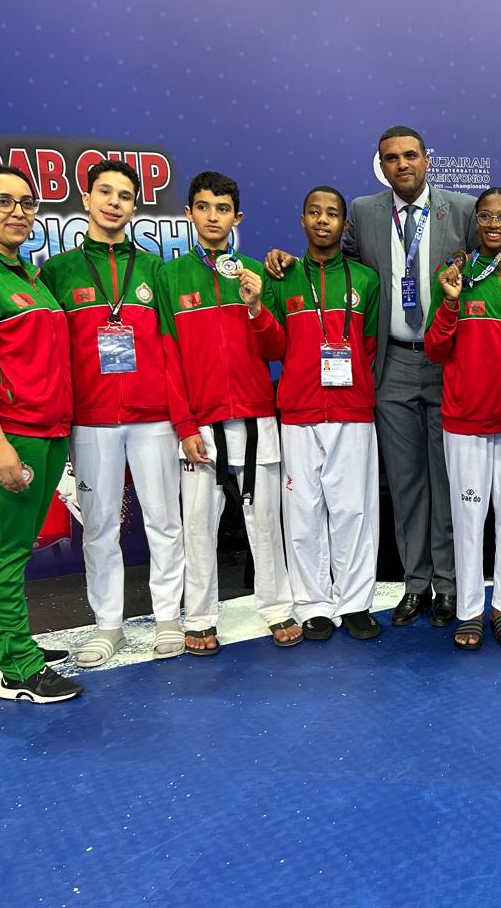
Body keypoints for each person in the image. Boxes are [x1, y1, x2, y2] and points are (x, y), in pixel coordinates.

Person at [266, 126, 478, 629]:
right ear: (381, 166)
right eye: (391, 158)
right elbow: (332, 265)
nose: (402, 164)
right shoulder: (363, 212)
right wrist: (287, 261)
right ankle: (416, 584)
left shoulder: (464, 210)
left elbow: (488, 267)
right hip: (392, 363)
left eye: (411, 155)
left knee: (447, 479)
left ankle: (448, 586)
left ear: (427, 159)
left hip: (448, 362)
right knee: (405, 483)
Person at [42, 160, 184, 666]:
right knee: (99, 525)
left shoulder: (154, 269)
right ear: (86, 199)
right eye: (105, 192)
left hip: (153, 416)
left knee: (165, 521)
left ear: (134, 206)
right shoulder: (57, 271)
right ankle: (108, 625)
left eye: (124, 196)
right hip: (90, 419)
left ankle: (168, 617)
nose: (113, 202)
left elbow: (172, 344)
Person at [155, 171, 294, 654]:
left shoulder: (256, 272)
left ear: (238, 217)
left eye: (222, 209)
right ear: (189, 213)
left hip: (257, 417)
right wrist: (184, 424)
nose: (212, 217)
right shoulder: (169, 276)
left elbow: (278, 349)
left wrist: (256, 308)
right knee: (198, 525)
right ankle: (199, 617)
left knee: (266, 521)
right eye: (203, 207)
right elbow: (168, 357)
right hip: (200, 422)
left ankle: (277, 607)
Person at [0, 165, 79, 702]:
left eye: (27, 202)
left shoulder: (29, 276)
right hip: (7, 433)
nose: (18, 212)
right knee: (3, 553)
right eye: (4, 201)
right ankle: (18, 669)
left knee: (13, 548)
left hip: (46, 431)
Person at [248, 187, 382, 642]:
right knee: (303, 511)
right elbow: (273, 346)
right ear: (302, 220)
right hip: (299, 409)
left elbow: (368, 346)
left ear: (345, 224)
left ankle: (355, 602)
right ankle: (313, 604)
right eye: (314, 212)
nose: (323, 220)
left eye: (332, 214)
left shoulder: (365, 279)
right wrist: (257, 310)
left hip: (353, 411)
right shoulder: (281, 277)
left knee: (353, 510)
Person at [425, 187, 501, 649]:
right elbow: (435, 349)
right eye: (486, 216)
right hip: (466, 419)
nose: (493, 224)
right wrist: (451, 303)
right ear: (476, 223)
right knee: (468, 519)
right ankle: (469, 609)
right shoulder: (454, 275)